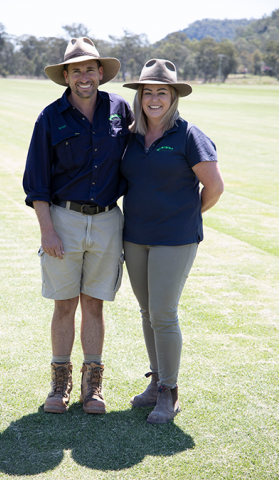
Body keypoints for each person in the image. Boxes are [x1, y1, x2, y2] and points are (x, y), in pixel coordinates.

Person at [23, 37, 133, 415]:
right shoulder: (50, 117)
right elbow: (36, 181)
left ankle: (93, 386)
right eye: (76, 70)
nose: (84, 76)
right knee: (65, 304)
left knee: (95, 305)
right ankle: (59, 384)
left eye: (90, 69)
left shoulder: (121, 109)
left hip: (107, 220)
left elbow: (143, 156)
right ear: (66, 76)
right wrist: (47, 230)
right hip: (63, 220)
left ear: (100, 73)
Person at [121, 59, 224, 424]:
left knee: (164, 313)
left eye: (161, 92)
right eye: (147, 92)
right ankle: (156, 383)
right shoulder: (131, 135)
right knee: (148, 312)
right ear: (140, 96)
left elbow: (214, 187)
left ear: (173, 96)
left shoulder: (188, 135)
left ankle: (170, 392)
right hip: (135, 238)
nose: (153, 99)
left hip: (175, 240)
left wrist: (187, 216)